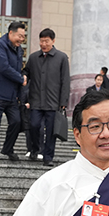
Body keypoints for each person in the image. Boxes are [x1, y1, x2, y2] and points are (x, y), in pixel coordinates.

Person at [26, 27, 70, 166]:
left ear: (53, 41)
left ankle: (48, 157)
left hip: (53, 102)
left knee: (51, 131)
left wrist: (63, 101)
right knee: (34, 126)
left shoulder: (62, 58)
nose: (43, 44)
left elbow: (65, 81)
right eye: (41, 41)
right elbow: (26, 73)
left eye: (46, 41)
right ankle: (34, 149)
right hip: (36, 100)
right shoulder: (33, 58)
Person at [0, 21, 26, 163]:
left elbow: (18, 69)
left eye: (23, 36)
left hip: (11, 95)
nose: (21, 39)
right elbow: (4, 68)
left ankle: (8, 148)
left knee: (16, 121)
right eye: (19, 36)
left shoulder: (19, 50)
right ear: (11, 33)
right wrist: (21, 79)